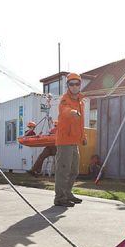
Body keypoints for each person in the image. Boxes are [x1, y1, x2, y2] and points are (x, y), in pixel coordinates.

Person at [54, 73, 87, 207]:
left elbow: (81, 122)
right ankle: (60, 198)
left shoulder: (81, 101)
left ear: (80, 85)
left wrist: (83, 137)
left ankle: (67, 193)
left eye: (77, 84)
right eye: (71, 84)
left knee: (74, 170)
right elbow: (64, 110)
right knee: (63, 170)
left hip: (74, 142)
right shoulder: (64, 99)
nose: (74, 86)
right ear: (68, 86)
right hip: (64, 141)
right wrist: (72, 112)